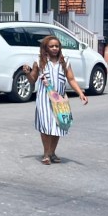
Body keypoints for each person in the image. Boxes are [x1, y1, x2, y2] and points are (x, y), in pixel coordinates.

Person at [23, 34, 88, 164]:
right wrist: (27, 73)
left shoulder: (65, 61)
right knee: (46, 125)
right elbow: (32, 80)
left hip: (60, 99)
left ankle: (52, 152)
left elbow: (71, 79)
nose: (54, 48)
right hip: (44, 99)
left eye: (56, 46)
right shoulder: (39, 61)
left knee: (58, 125)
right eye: (51, 46)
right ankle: (46, 154)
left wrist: (80, 93)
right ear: (45, 48)